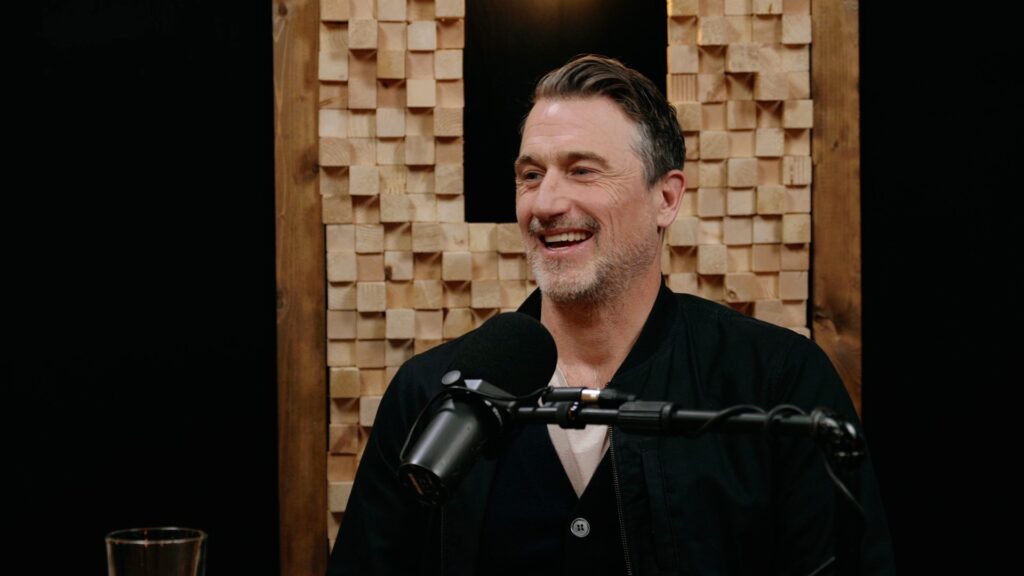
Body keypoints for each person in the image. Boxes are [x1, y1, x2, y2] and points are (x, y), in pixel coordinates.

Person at [328, 55, 894, 575]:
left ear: (666, 198)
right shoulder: (429, 394)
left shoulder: (778, 384)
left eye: (582, 170)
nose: (546, 203)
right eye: (531, 175)